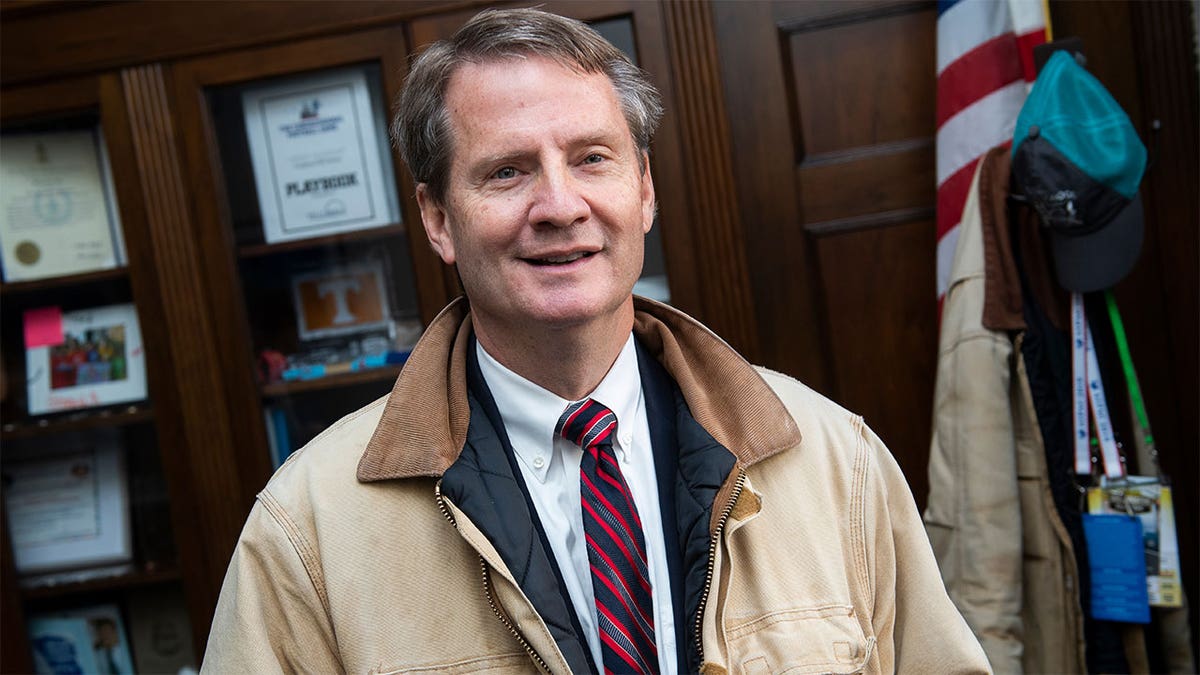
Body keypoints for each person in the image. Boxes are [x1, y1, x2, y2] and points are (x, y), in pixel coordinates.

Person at [202, 8, 989, 674]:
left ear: (643, 188)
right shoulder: (308, 527)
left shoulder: (831, 459)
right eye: (507, 172)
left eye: (591, 158)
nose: (559, 204)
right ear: (438, 218)